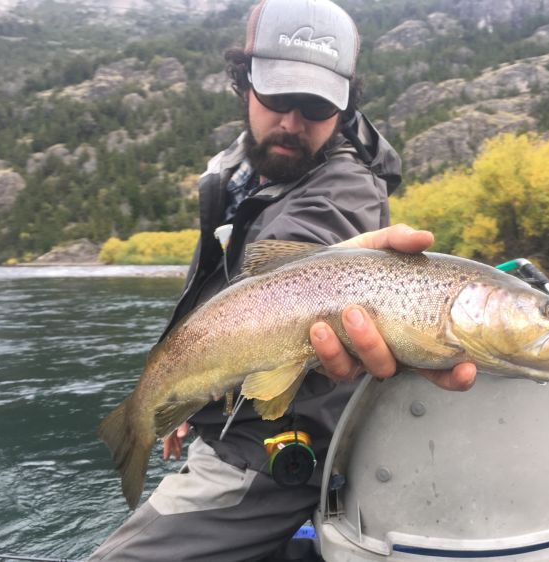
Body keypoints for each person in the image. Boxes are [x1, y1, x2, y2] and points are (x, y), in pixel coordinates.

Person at [90, 0, 474, 560]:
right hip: (225, 413)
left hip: (264, 448)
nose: (292, 122)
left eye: (315, 105)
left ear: (343, 109)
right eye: (277, 97)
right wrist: (188, 396)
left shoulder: (348, 187)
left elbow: (316, 241)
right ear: (243, 83)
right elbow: (215, 297)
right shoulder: (235, 173)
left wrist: (335, 273)